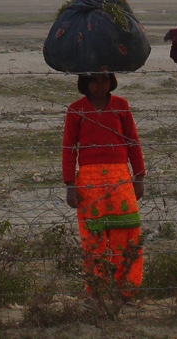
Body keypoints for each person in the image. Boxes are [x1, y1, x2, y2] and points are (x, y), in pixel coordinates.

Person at [62, 70, 145, 302]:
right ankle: (97, 291)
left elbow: (133, 142)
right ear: (84, 82)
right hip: (89, 181)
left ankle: (126, 290)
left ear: (112, 80)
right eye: (94, 80)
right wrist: (70, 183)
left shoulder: (121, 105)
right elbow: (69, 147)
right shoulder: (76, 109)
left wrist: (139, 177)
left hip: (120, 178)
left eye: (104, 79)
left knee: (126, 233)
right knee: (93, 237)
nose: (100, 85)